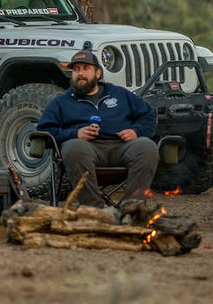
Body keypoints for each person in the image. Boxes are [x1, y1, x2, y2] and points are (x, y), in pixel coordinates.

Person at [37, 49, 159, 207]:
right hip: (86, 150)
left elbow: (149, 116)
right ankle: (95, 209)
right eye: (76, 69)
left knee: (147, 146)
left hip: (122, 147)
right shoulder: (61, 102)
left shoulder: (119, 94)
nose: (80, 73)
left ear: (97, 73)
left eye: (86, 68)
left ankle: (131, 208)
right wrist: (75, 133)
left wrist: (136, 131)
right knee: (73, 146)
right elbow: (45, 131)